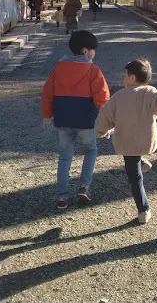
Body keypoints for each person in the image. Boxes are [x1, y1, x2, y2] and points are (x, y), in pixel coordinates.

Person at [95, 58, 157, 224]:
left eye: (125, 76)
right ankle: (141, 160)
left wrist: (100, 132)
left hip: (127, 144)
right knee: (136, 161)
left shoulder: (119, 96)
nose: (124, 79)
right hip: (146, 141)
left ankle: (143, 209)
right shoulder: (150, 92)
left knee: (135, 178)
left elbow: (104, 117)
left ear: (132, 78)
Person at [41, 30, 110, 209]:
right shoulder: (93, 71)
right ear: (85, 51)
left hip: (63, 119)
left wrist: (47, 115)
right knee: (90, 151)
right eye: (93, 49)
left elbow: (48, 93)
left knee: (65, 157)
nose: (95, 53)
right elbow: (102, 98)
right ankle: (84, 187)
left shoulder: (58, 68)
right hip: (87, 121)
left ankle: (63, 196)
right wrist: (108, 121)